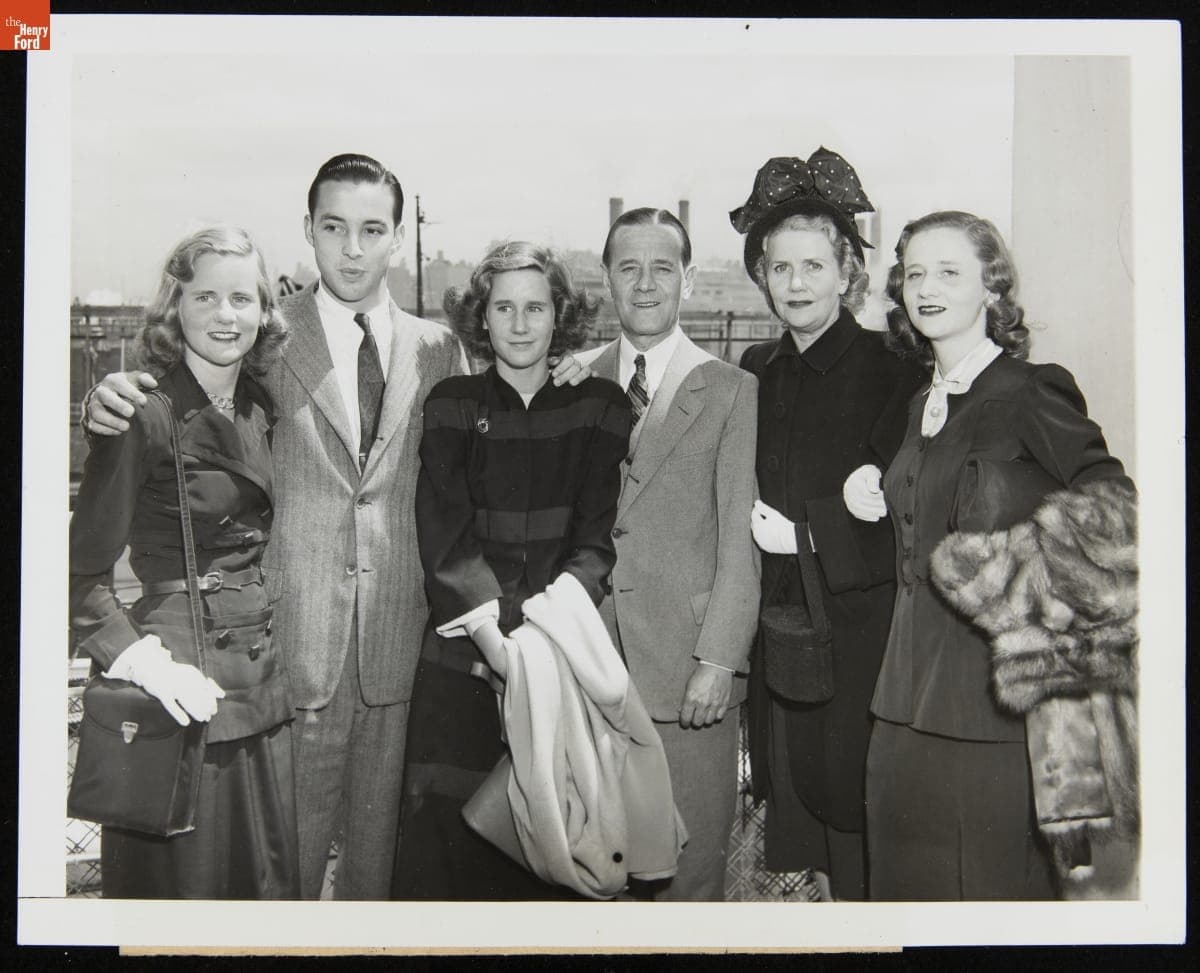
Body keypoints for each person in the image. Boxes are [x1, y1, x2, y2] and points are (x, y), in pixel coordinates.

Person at [859, 210, 1133, 900]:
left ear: (992, 286)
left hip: (995, 709)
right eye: (915, 272)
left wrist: (1016, 584)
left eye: (950, 271)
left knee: (989, 904)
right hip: (899, 702)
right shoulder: (921, 398)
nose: (927, 287)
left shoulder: (1031, 390)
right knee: (900, 904)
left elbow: (1118, 510)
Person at [391, 241, 631, 899]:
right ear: (482, 317)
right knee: (451, 863)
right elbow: (445, 533)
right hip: (463, 664)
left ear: (560, 316)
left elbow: (595, 540)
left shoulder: (601, 406)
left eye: (536, 307)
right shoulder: (452, 403)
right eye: (504, 307)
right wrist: (497, 645)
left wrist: (539, 645)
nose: (520, 323)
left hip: (559, 662)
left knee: (549, 860)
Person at [70, 226, 297, 898]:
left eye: (243, 298)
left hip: (258, 690)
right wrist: (140, 659)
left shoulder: (262, 406)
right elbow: (79, 574)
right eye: (206, 298)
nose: (227, 316)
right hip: (180, 692)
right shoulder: (143, 412)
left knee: (262, 900)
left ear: (264, 310)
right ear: (175, 308)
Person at [730, 150, 927, 901]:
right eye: (781, 269)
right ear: (762, 276)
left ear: (848, 272)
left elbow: (905, 518)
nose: (796, 284)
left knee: (856, 827)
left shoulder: (894, 368)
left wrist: (808, 535)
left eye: (814, 266)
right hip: (778, 639)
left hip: (858, 636)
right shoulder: (756, 368)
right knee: (799, 819)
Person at [581, 207, 761, 901]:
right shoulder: (576, 378)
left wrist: (718, 660)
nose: (646, 283)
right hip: (590, 669)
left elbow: (739, 543)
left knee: (689, 883)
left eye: (663, 268)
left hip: (687, 679)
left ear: (688, 278)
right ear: (606, 279)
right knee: (597, 875)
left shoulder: (730, 388)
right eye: (629, 267)